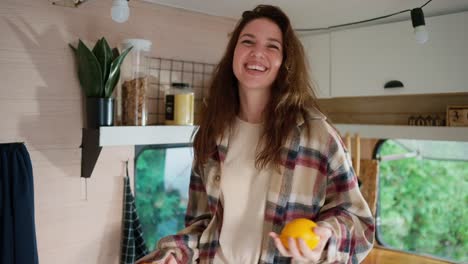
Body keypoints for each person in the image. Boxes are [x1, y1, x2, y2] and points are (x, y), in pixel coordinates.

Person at [137, 4, 374, 264]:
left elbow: (361, 225)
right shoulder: (212, 133)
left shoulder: (318, 136)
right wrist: (174, 255)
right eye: (247, 41)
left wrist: (326, 237)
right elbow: (203, 224)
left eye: (272, 46)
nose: (257, 52)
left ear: (285, 63)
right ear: (233, 54)